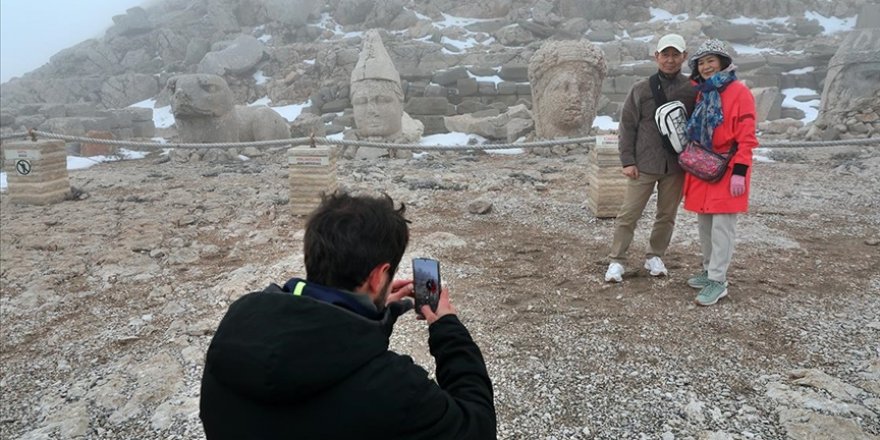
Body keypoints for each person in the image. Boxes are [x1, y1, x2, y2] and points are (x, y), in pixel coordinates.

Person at [199, 192, 497, 439]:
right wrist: (448, 329)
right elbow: (477, 427)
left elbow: (326, 353)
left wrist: (373, 316)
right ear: (379, 277)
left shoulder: (237, 328)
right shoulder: (393, 388)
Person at [604, 34, 697, 283]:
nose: (670, 60)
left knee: (667, 216)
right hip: (643, 164)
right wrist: (627, 161)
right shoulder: (641, 88)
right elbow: (627, 126)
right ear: (656, 57)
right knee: (628, 214)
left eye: (675, 54)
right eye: (665, 54)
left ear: (684, 57)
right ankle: (617, 260)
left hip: (676, 166)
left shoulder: (691, 89)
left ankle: (655, 255)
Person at [682, 40, 758, 306]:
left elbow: (747, 137)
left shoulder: (739, 92)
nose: (705, 66)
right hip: (703, 166)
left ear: (723, 62)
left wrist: (740, 171)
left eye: (710, 60)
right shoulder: (703, 92)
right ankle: (708, 269)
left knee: (722, 228)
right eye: (700, 63)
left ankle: (718, 280)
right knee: (705, 226)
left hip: (727, 168)